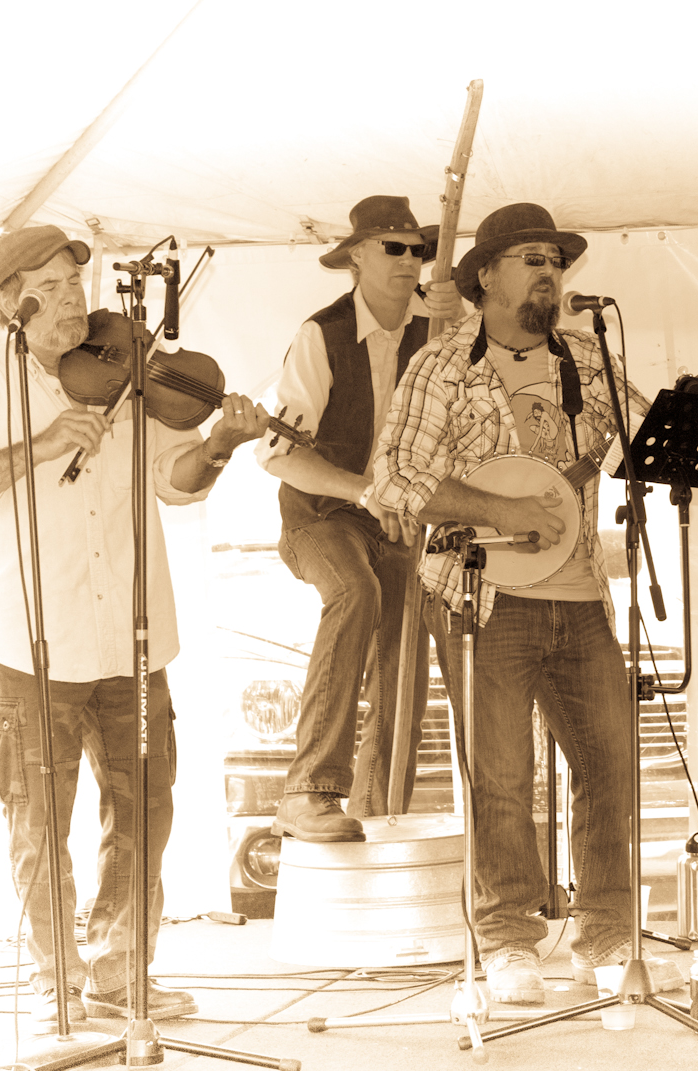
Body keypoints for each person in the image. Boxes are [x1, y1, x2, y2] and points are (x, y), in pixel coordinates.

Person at [369, 203, 698, 1003]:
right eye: (531, 258)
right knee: (502, 778)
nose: (549, 272)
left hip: (580, 595)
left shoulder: (586, 355)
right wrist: (502, 508)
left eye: (555, 260)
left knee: (611, 766)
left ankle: (606, 935)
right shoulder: (441, 367)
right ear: (486, 276)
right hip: (482, 599)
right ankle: (509, 941)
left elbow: (651, 443)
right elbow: (394, 480)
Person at [0, 226, 270, 1031]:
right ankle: (56, 980)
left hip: (133, 637)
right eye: (50, 288)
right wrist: (41, 443)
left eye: (74, 285)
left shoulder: (125, 374)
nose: (71, 302)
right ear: (11, 302)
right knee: (37, 820)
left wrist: (219, 445)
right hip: (29, 642)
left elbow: (176, 480)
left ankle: (121, 972)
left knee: (143, 814)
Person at [256, 196, 462, 840]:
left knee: (406, 660)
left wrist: (464, 328)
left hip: (401, 520)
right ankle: (308, 791)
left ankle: (380, 815)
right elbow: (279, 453)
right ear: (356, 258)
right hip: (320, 516)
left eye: (418, 249)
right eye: (393, 248)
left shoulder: (443, 330)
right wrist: (368, 492)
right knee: (355, 590)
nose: (410, 260)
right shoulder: (320, 334)